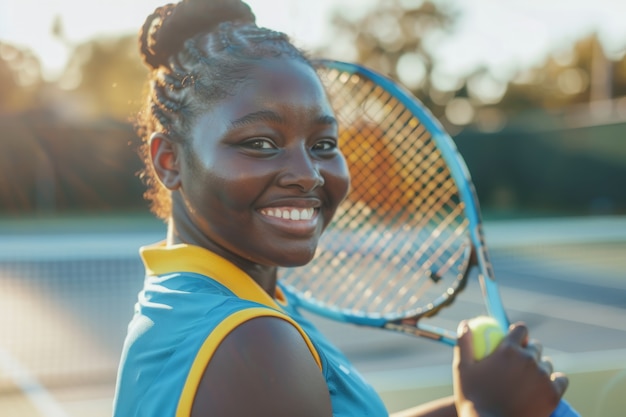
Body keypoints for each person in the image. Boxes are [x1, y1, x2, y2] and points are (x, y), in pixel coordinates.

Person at [112, 0, 570, 416]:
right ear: (169, 161)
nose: (308, 174)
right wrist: (488, 412)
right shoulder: (251, 342)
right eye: (260, 142)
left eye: (323, 143)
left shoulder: (203, 300)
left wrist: (471, 405)